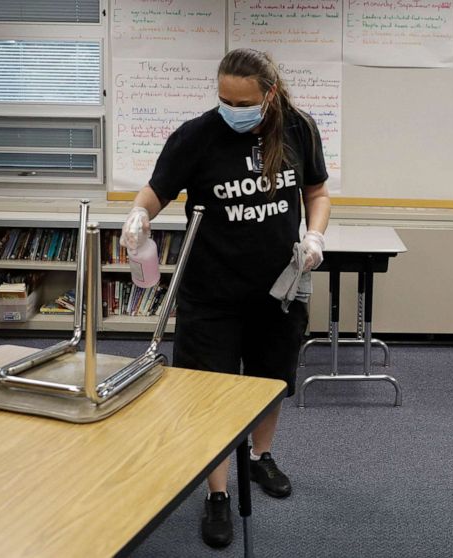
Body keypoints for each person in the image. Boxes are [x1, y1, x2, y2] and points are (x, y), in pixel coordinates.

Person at [120, 48, 331, 549]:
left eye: (243, 101)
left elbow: (317, 193)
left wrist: (316, 236)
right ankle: (217, 493)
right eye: (223, 99)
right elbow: (156, 190)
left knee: (269, 381)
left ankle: (260, 458)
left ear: (269, 94)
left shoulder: (297, 129)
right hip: (211, 292)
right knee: (208, 395)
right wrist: (137, 215)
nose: (232, 109)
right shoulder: (197, 136)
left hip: (278, 288)